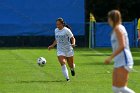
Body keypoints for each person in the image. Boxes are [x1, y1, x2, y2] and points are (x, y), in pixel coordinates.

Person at [104, 10, 135, 93]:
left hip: (125, 61)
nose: (108, 20)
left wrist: (110, 57)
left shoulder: (118, 28)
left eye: (109, 18)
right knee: (115, 88)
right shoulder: (115, 29)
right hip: (119, 61)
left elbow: (122, 45)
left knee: (121, 88)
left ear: (112, 19)